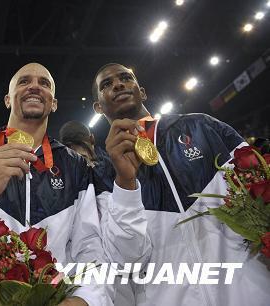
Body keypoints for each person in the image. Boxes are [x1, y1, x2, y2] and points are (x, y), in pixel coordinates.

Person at [0, 62, 151, 306]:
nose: (35, 87)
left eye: (44, 84)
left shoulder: (75, 166)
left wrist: (84, 298)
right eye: (24, 81)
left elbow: (89, 248)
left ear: (54, 103)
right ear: (7, 99)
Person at [91, 63, 270, 306]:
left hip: (248, 293)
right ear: (98, 107)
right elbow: (127, 262)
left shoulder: (203, 127)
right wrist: (125, 183)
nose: (118, 84)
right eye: (107, 84)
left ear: (142, 91)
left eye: (125, 78)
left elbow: (262, 188)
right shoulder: (104, 175)